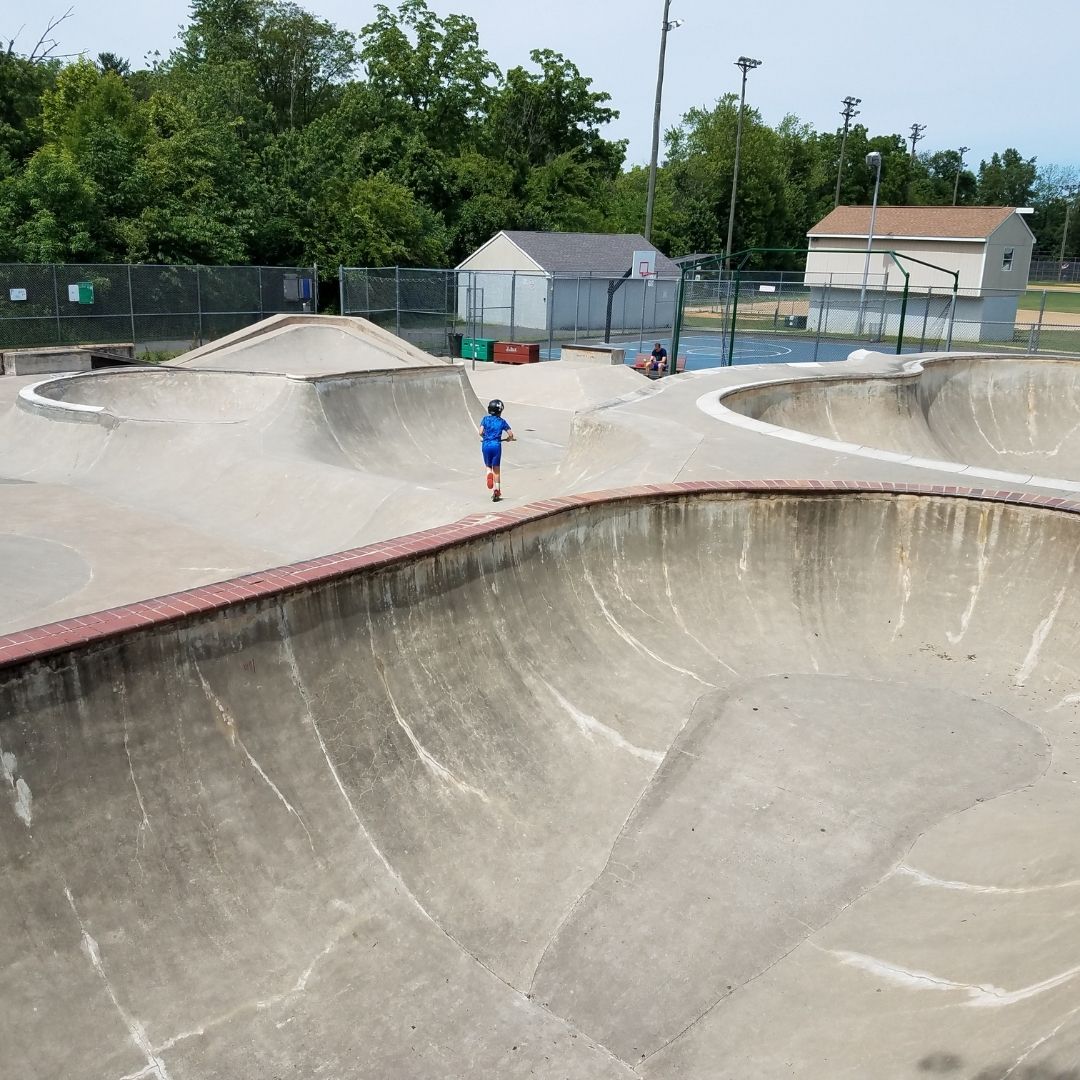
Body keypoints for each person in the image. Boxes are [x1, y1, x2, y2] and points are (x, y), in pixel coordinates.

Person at [478, 398, 514, 502]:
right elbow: (510, 434)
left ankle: (489, 473)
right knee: (497, 470)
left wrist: (485, 437)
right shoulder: (502, 421)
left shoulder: (485, 419)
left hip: (486, 445)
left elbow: (480, 432)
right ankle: (497, 490)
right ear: (500, 410)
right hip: (496, 446)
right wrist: (509, 439)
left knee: (488, 466)